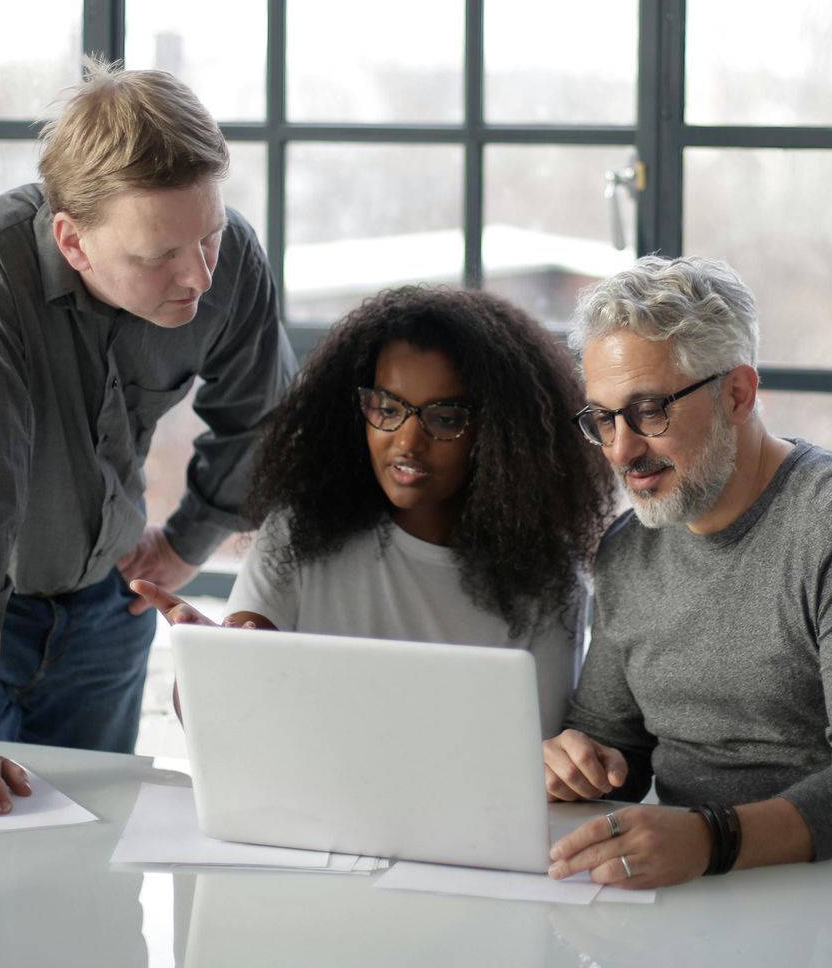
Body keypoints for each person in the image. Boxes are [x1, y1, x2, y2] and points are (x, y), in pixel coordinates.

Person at [0, 61, 294, 818]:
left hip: (102, 594)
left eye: (210, 236)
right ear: (74, 240)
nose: (197, 275)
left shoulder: (224, 257)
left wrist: (192, 538)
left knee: (96, 854)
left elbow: (264, 417)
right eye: (157, 256)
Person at [543, 256, 832, 890]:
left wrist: (712, 837)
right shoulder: (628, 550)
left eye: (650, 411)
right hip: (704, 883)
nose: (621, 450)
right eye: (603, 418)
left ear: (737, 393)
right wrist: (578, 764)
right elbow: (613, 748)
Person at [133, 285, 607, 734]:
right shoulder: (297, 534)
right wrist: (209, 664)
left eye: (444, 419)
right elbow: (224, 715)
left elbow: (539, 758)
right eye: (386, 408)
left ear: (503, 436)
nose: (406, 442)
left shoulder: (547, 577)